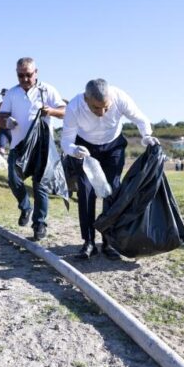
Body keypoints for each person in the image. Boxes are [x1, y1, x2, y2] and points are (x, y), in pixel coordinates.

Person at [60, 78, 158, 259]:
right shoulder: (74, 106)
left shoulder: (120, 97)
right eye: (96, 108)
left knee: (112, 190)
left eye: (106, 107)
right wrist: (74, 150)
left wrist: (146, 136)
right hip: (85, 148)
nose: (102, 112)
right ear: (86, 99)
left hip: (113, 146)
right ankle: (89, 242)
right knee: (86, 191)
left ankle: (109, 242)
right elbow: (66, 141)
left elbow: (140, 118)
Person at [0, 57, 66, 240]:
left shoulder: (47, 90)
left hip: (41, 147)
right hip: (18, 146)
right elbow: (1, 117)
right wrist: (6, 122)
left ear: (36, 72)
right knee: (14, 180)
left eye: (28, 75)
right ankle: (25, 207)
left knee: (40, 185)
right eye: (20, 76)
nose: (25, 79)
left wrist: (51, 111)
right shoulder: (12, 93)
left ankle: (40, 224)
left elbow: (64, 111)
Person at [0, 88, 11, 155]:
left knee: (14, 149)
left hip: (11, 130)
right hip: (2, 129)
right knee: (1, 149)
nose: (3, 96)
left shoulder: (13, 104)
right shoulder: (0, 105)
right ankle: (1, 159)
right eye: (2, 95)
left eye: (5, 95)